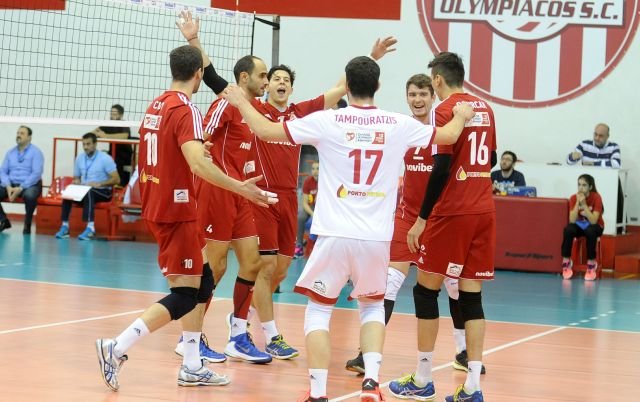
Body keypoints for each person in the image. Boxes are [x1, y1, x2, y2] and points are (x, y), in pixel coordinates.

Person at [222, 55, 474, 402]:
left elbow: (265, 130)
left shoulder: (328, 120)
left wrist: (240, 101)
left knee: (319, 311)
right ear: (378, 86)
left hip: (333, 235)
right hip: (376, 238)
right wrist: (461, 114)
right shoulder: (398, 123)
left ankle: (318, 392)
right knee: (372, 307)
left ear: (348, 85)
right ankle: (371, 382)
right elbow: (448, 134)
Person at [95, 44, 275, 391]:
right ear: (198, 74)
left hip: (160, 204)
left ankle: (192, 365)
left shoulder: (156, 105)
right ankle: (115, 347)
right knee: (184, 294)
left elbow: (171, 149)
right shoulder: (187, 109)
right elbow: (197, 165)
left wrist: (195, 148)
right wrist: (240, 187)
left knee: (203, 283)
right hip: (175, 210)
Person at [345, 74, 485, 377]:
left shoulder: (447, 130)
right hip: (408, 217)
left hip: (441, 219)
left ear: (433, 96)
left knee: (454, 286)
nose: (417, 99)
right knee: (388, 283)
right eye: (412, 94)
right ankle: (366, 354)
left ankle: (462, 351)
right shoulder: (401, 130)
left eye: (423, 94)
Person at [389, 52, 497, 402]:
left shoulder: (444, 109)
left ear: (436, 79)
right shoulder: (486, 108)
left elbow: (441, 167)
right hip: (484, 209)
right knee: (471, 298)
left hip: (453, 213)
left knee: (425, 292)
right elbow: (492, 159)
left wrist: (421, 219)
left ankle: (423, 379)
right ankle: (473, 387)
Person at [54, 133, 120, 240]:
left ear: (95, 144)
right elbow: (76, 177)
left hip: (103, 191)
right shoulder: (79, 158)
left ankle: (90, 228)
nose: (85, 147)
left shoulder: (105, 159)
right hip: (84, 190)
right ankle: (65, 227)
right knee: (68, 193)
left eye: (88, 144)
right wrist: (76, 182)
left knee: (89, 192)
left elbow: (117, 179)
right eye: (84, 144)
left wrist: (100, 184)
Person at [0, 125, 44, 235]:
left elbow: (36, 174)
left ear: (29, 137)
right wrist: (8, 186)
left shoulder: (36, 152)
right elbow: (3, 171)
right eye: (18, 133)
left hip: (29, 185)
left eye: (22, 133)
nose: (18, 135)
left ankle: (27, 224)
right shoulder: (10, 153)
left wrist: (20, 188)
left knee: (30, 196)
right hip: (11, 184)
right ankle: (3, 220)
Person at [561, 174, 604, 281]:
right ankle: (566, 262)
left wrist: (584, 204)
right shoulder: (573, 198)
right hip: (580, 226)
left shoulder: (596, 197)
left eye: (584, 185)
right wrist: (577, 203)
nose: (581, 188)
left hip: (595, 226)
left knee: (590, 231)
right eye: (579, 185)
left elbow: (593, 221)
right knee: (569, 229)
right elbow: (572, 220)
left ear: (590, 187)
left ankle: (591, 264)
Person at [93, 104, 134, 186]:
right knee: (101, 158)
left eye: (115, 114)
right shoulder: (109, 124)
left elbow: (124, 136)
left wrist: (105, 136)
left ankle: (119, 184)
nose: (112, 116)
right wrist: (97, 133)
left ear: (121, 115)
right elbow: (93, 132)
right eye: (111, 114)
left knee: (116, 160)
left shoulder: (124, 124)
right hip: (112, 153)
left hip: (124, 155)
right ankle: (101, 182)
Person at [297, 161, 319, 257]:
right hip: (310, 208)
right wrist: (312, 213)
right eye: (313, 169)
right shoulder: (308, 182)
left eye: (318, 168)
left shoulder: (325, 181)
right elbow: (304, 203)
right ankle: (299, 245)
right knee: (301, 217)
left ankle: (317, 246)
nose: (315, 171)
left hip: (321, 208)